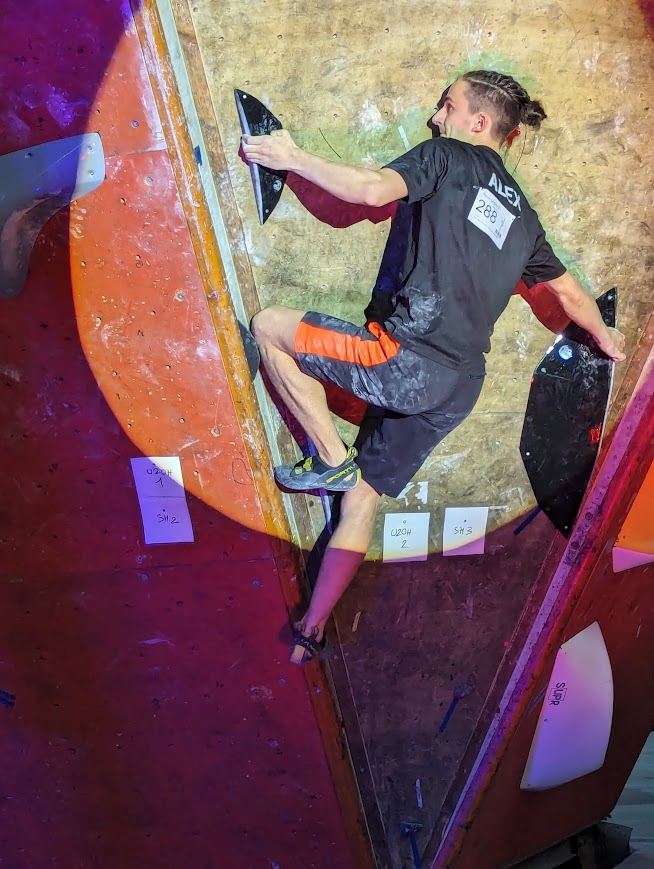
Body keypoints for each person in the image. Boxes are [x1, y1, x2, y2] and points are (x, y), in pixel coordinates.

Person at [242, 69, 627, 663]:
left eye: (447, 105)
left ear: (478, 122)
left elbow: (372, 190)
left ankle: (331, 460)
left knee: (270, 326)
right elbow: (570, 292)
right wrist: (606, 338)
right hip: (458, 388)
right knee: (365, 497)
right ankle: (311, 631)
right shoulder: (523, 218)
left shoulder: (449, 157)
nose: (435, 116)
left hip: (407, 359)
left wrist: (292, 157)